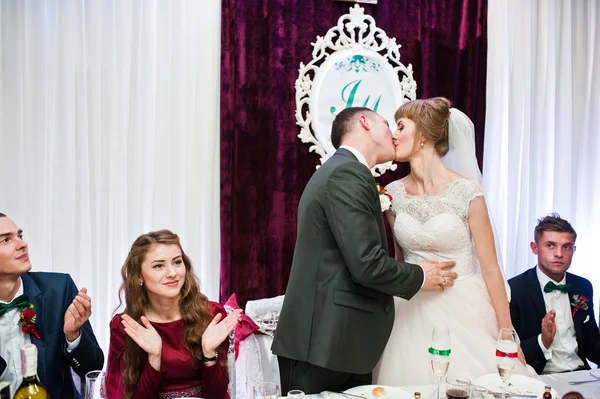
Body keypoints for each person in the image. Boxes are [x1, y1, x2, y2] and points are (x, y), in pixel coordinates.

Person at [271, 107, 458, 394]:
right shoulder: (346, 173)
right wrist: (421, 275)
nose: (394, 135)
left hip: (336, 343)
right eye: (387, 124)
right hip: (324, 344)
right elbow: (367, 264)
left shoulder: (342, 170)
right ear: (364, 123)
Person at [374, 97, 530, 385]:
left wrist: (506, 335)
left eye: (400, 126)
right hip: (409, 313)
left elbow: (492, 269)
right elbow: (399, 260)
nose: (392, 135)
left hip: (465, 311)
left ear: (422, 135)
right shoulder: (392, 194)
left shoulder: (467, 192)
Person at [106, 229, 241, 399]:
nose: (172, 273)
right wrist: (154, 358)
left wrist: (208, 353)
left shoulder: (212, 314)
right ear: (139, 276)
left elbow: (217, 395)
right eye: (158, 266)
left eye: (177, 262)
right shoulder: (125, 326)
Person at [0, 212, 104, 398]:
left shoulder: (58, 289)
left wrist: (73, 335)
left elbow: (93, 368)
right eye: (6, 240)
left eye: (20, 236)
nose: (22, 244)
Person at [509, 214, 600, 374]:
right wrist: (543, 340)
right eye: (550, 245)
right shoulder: (515, 288)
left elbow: (592, 343)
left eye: (566, 246)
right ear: (535, 247)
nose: (559, 253)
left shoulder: (583, 286)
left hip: (581, 375)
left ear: (574, 250)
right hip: (537, 377)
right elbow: (507, 350)